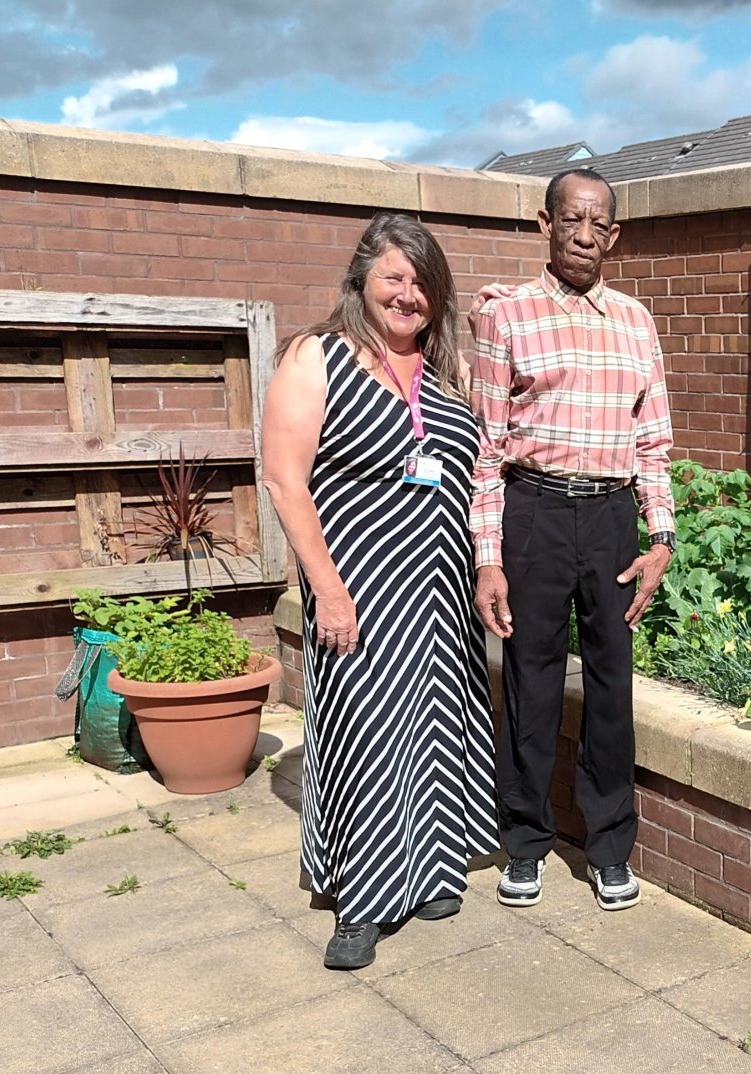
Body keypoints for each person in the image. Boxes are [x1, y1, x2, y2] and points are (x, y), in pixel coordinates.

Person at [261, 213, 498, 969]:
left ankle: (431, 872)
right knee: (366, 740)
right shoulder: (318, 355)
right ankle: (361, 900)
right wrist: (326, 589)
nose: (408, 294)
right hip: (358, 589)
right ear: (363, 277)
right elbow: (284, 480)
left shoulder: (443, 373)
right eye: (395, 276)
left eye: (423, 283)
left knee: (435, 731)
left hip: (441, 594)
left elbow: (477, 473)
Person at [469, 168, 675, 913]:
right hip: (535, 513)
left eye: (598, 224)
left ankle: (610, 847)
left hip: (613, 517)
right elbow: (486, 449)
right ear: (545, 225)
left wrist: (661, 537)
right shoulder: (506, 316)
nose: (584, 236)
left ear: (613, 235)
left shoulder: (637, 321)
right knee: (531, 681)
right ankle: (526, 842)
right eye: (570, 220)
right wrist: (489, 557)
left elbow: (652, 442)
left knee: (613, 684)